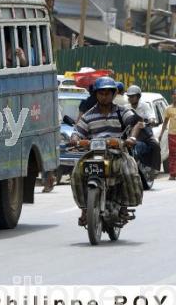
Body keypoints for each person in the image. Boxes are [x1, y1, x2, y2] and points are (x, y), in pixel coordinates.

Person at [70, 77, 144, 226]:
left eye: (107, 93)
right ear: (96, 94)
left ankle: (124, 206)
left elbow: (136, 124)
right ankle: (85, 209)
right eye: (101, 93)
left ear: (113, 94)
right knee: (77, 173)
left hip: (117, 153)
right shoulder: (88, 115)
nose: (104, 96)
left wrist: (132, 139)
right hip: (93, 154)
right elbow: (77, 131)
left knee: (128, 171)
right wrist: (75, 139)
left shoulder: (122, 111)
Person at [159, 89, 176, 180]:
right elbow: (165, 123)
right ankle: (173, 174)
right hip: (172, 135)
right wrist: (161, 134)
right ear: (172, 97)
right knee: (172, 154)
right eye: (174, 96)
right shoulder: (168, 109)